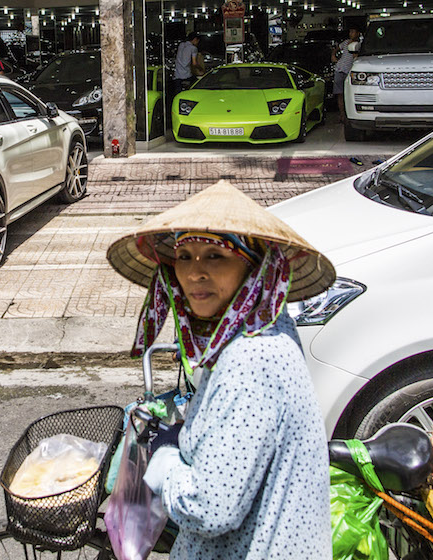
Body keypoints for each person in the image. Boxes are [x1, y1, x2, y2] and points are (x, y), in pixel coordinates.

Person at [105, 180, 335, 559]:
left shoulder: (250, 358)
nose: (195, 273)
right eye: (184, 256)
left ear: (255, 267)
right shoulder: (261, 324)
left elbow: (210, 509)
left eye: (216, 255)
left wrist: (163, 463)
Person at [332, 26, 362, 125]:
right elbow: (336, 49)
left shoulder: (359, 45)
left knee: (348, 94)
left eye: (353, 31)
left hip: (349, 71)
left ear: (358, 33)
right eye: (350, 32)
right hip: (339, 69)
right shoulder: (345, 43)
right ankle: (342, 115)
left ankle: (350, 115)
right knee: (340, 94)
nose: (351, 34)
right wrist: (333, 56)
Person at [173, 32, 201, 98]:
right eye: (197, 41)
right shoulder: (193, 48)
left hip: (177, 75)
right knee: (197, 84)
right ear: (195, 39)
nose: (197, 43)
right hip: (186, 75)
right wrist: (200, 69)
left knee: (178, 95)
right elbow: (194, 63)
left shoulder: (181, 45)